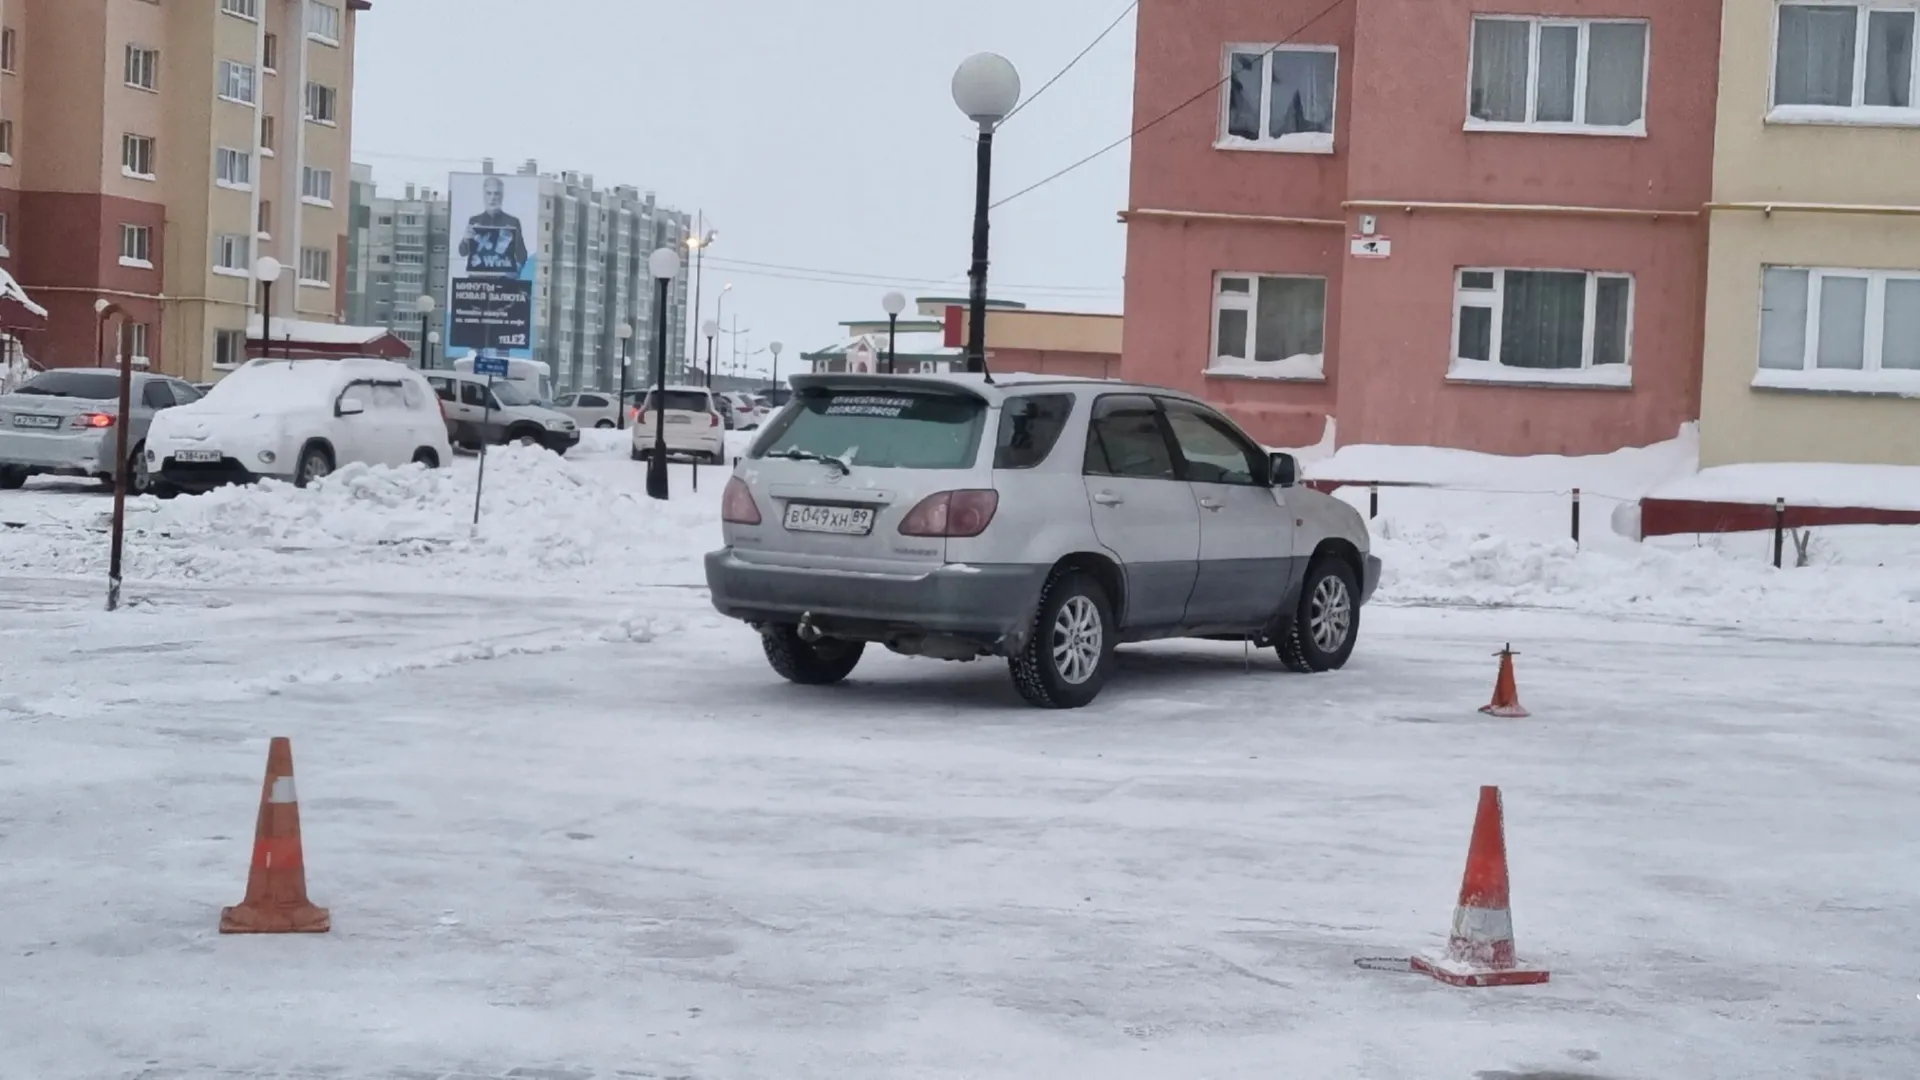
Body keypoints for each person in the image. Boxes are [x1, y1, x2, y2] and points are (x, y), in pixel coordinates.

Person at [458, 176, 528, 277]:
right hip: (478, 282)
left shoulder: (513, 222)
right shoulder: (474, 221)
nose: (493, 198)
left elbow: (522, 254)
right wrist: (465, 240)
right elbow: (462, 252)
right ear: (484, 195)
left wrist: (516, 269)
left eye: (497, 193)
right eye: (489, 193)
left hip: (503, 283)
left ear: (502, 196)